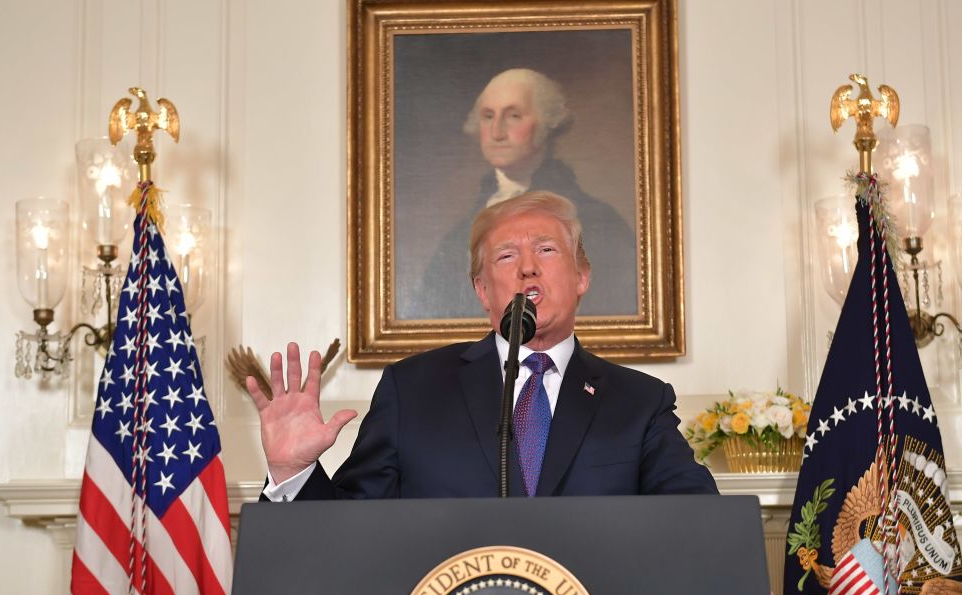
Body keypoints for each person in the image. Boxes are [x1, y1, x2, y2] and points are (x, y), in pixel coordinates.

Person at [252, 191, 715, 500]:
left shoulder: (639, 402)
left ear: (582, 277)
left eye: (547, 250)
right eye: (507, 256)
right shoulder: (412, 390)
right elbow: (349, 529)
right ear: (482, 289)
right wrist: (293, 471)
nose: (528, 268)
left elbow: (697, 521)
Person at [414, 68, 638, 319]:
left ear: (546, 124)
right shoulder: (459, 233)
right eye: (488, 116)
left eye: (513, 116)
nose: (497, 132)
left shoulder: (598, 221)